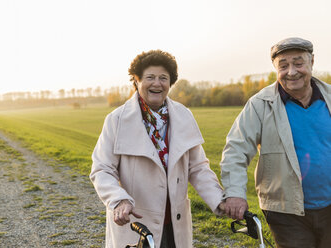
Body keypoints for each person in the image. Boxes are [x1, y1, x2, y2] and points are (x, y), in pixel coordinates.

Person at [90, 49, 225, 248]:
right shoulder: (116, 120)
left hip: (175, 225)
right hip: (136, 227)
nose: (157, 83)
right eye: (150, 77)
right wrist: (118, 200)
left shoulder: (183, 116)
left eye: (163, 78)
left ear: (170, 83)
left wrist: (219, 200)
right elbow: (102, 169)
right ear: (136, 81)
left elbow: (197, 168)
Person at [220, 37, 331, 248]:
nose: (291, 71)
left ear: (312, 62)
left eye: (298, 63)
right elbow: (236, 148)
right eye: (283, 66)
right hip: (286, 211)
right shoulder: (260, 104)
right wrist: (234, 193)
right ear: (275, 69)